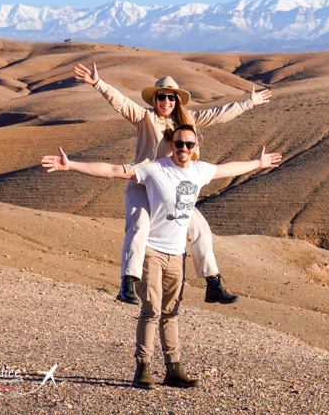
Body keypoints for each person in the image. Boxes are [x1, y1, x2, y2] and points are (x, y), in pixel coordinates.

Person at [41, 124, 282, 389]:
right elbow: (112, 171)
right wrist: (72, 165)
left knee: (171, 312)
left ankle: (173, 370)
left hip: (177, 255)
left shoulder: (201, 171)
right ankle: (142, 369)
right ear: (172, 145)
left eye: (189, 145)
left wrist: (259, 163)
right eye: (179, 144)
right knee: (151, 312)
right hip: (152, 253)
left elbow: (229, 168)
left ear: (195, 148)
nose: (184, 149)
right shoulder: (156, 169)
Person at [74, 63, 272, 305]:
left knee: (200, 229)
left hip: (172, 188)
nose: (166, 101)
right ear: (155, 99)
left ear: (177, 100)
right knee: (139, 227)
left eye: (171, 97)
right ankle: (127, 283)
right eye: (161, 97)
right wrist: (98, 84)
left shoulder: (187, 122)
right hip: (142, 183)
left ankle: (212, 283)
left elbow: (217, 114)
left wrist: (248, 103)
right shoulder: (144, 117)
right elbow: (122, 103)